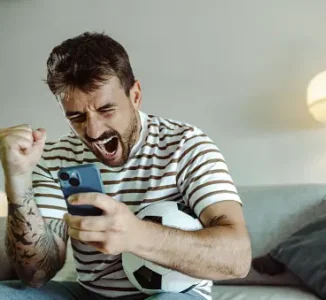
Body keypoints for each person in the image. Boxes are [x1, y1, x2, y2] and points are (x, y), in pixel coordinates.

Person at [0, 32, 252, 300]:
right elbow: (36, 273)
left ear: (135, 96)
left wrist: (136, 235)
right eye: (76, 116)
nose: (94, 131)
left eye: (107, 110)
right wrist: (17, 179)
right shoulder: (54, 156)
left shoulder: (187, 146)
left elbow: (237, 258)